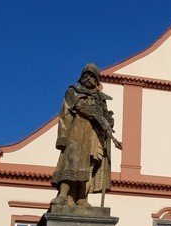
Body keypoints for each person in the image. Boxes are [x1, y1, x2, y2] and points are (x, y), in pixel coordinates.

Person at [51, 63, 122, 209]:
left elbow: (104, 115)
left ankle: (82, 197)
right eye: (86, 75)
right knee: (72, 162)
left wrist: (109, 121)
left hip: (95, 134)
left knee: (91, 164)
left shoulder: (101, 99)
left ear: (97, 81)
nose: (88, 78)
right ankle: (64, 195)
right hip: (78, 130)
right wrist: (63, 137)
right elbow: (68, 112)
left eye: (92, 75)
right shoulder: (74, 91)